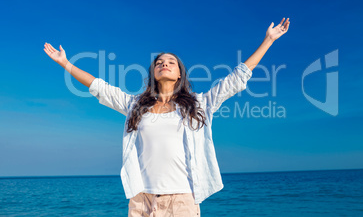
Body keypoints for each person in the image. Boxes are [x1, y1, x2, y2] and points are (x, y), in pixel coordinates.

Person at [43, 18, 290, 216]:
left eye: (171, 62)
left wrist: (268, 40)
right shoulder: (135, 106)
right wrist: (66, 63)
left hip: (182, 200)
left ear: (180, 74)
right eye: (159, 62)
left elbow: (237, 78)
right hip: (141, 201)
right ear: (153, 72)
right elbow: (100, 86)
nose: (164, 63)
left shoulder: (199, 104)